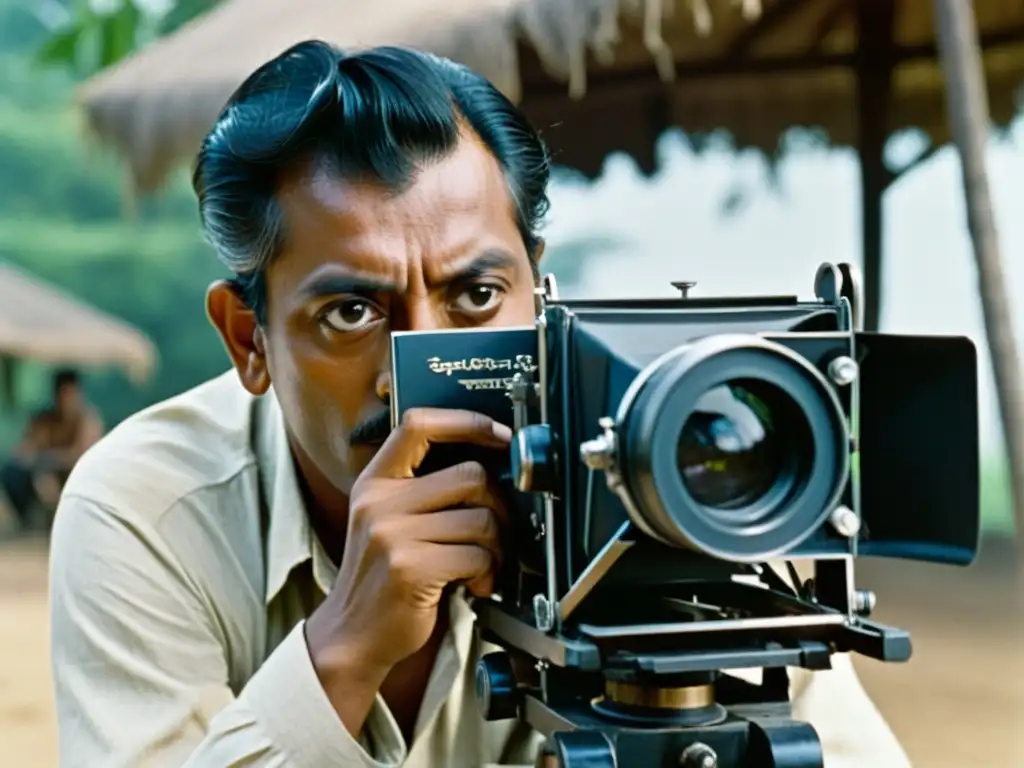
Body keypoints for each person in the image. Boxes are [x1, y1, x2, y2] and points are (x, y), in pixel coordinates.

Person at [48, 41, 911, 768]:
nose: (420, 372)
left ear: (538, 289)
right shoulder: (148, 512)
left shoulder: (652, 479)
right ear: (250, 340)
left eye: (475, 296)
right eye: (352, 313)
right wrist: (344, 647)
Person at [1, 368, 102, 528]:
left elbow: (83, 454)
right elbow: (28, 448)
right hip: (46, 472)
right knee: (14, 472)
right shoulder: (46, 419)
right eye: (63, 394)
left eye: (70, 394)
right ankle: (32, 519)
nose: (66, 400)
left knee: (47, 476)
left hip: (76, 474)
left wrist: (52, 458)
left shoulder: (87, 419)